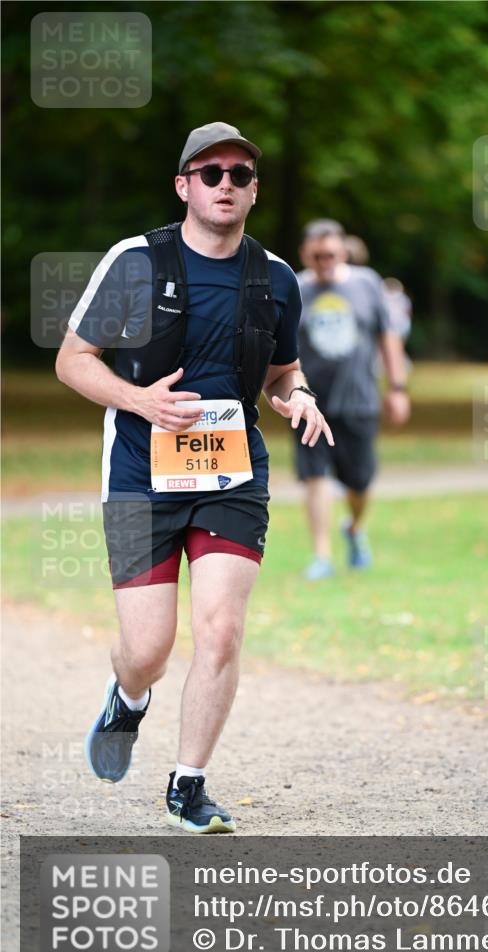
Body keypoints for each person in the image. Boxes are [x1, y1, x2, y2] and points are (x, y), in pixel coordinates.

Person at [55, 121, 333, 833]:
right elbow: (74, 360)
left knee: (220, 630)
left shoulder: (274, 278)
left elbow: (281, 369)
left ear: (253, 190)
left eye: (240, 175)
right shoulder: (135, 261)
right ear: (184, 185)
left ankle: (189, 783)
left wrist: (296, 396)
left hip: (230, 474)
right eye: (212, 173)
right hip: (138, 473)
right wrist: (140, 399)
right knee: (148, 650)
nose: (226, 185)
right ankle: (129, 696)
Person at [295, 219, 410, 579]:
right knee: (315, 477)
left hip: (359, 399)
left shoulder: (367, 284)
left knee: (359, 482)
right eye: (316, 255)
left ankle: (355, 528)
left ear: (343, 251)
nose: (323, 261)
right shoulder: (294, 288)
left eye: (330, 254)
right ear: (305, 254)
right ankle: (322, 556)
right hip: (310, 402)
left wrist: (397, 388)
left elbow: (387, 337)